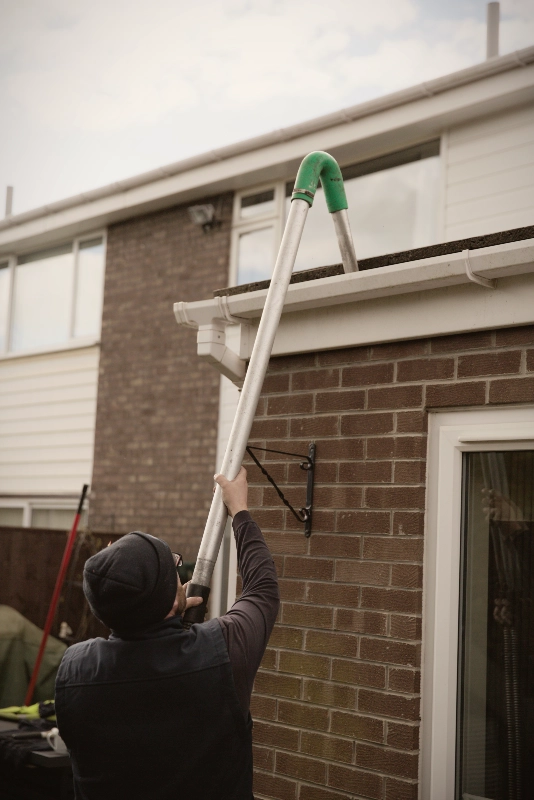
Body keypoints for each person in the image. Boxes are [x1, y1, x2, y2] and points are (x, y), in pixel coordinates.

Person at [55, 467, 279, 800]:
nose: (178, 571)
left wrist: (168, 611)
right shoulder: (223, 651)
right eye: (174, 570)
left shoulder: (74, 669)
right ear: (167, 600)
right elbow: (262, 591)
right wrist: (240, 511)